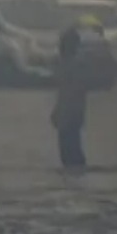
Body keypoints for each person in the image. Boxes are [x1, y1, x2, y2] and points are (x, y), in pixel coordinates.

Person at [50, 26, 89, 172]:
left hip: (69, 114)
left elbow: (69, 93)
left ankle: (75, 174)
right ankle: (77, 174)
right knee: (72, 150)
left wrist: (59, 112)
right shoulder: (74, 65)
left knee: (69, 152)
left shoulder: (70, 66)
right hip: (72, 113)